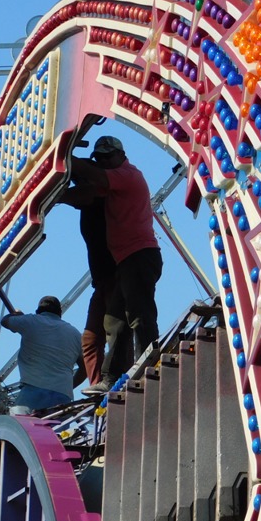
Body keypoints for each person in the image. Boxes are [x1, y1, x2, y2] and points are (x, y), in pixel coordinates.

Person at [69, 135, 163, 389]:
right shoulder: (112, 183)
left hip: (139, 253)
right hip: (127, 259)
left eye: (107, 157)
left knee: (139, 314)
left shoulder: (128, 175)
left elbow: (96, 179)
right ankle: (111, 377)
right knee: (116, 321)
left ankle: (149, 363)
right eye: (99, 158)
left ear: (122, 155)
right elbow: (87, 195)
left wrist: (67, 159)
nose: (104, 162)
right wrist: (58, 196)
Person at [57, 172, 133, 388]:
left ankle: (123, 379)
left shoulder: (100, 200)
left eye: (80, 182)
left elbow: (83, 195)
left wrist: (55, 195)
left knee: (116, 333)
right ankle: (98, 385)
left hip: (115, 275)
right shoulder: (90, 203)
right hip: (101, 280)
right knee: (91, 339)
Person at [1, 295, 83, 411]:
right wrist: (69, 387)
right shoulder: (74, 334)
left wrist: (17, 315)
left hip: (32, 390)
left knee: (20, 422)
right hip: (62, 395)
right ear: (60, 313)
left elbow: (5, 321)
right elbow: (85, 367)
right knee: (57, 423)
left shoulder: (31, 321)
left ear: (38, 311)